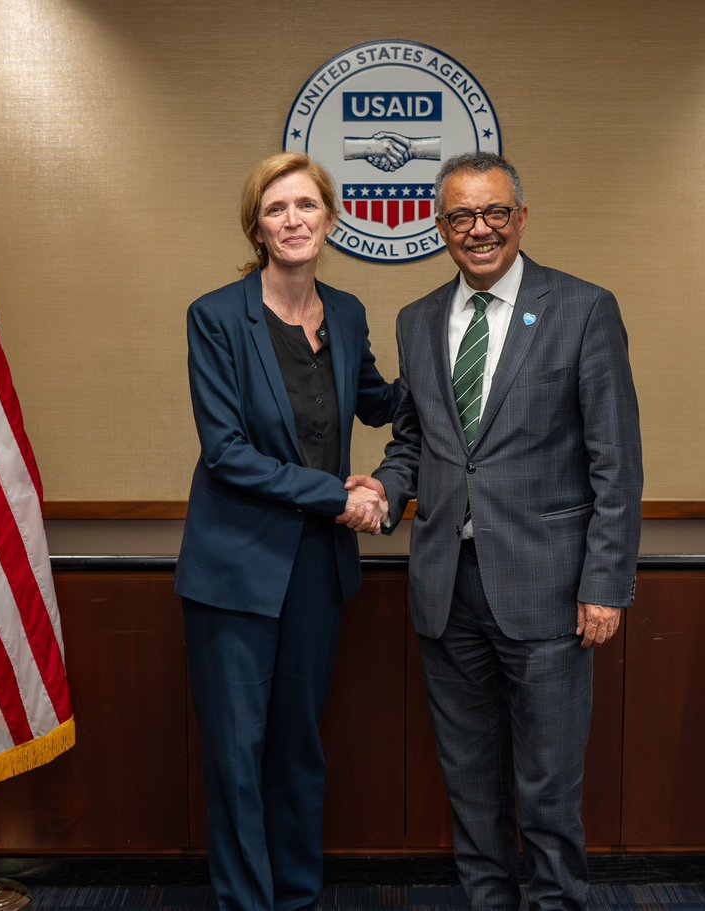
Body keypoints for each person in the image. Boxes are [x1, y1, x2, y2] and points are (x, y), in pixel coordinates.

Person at [348, 151, 643, 909]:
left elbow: (617, 460)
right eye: (460, 217)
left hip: (549, 590)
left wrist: (605, 584)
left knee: (547, 789)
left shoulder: (582, 308)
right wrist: (385, 486)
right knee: (471, 786)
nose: (478, 230)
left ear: (519, 218)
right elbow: (415, 442)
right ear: (439, 226)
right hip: (446, 589)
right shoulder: (417, 320)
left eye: (494, 214)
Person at [176, 152, 397, 911]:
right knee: (239, 754)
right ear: (258, 228)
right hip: (235, 570)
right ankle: (246, 903)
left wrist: (454, 368)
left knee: (299, 748)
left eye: (307, 205)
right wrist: (339, 494)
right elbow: (227, 451)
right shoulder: (216, 317)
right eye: (277, 209)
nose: (294, 219)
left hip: (313, 569)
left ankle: (297, 897)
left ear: (331, 221)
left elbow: (379, 402)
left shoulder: (348, 312)